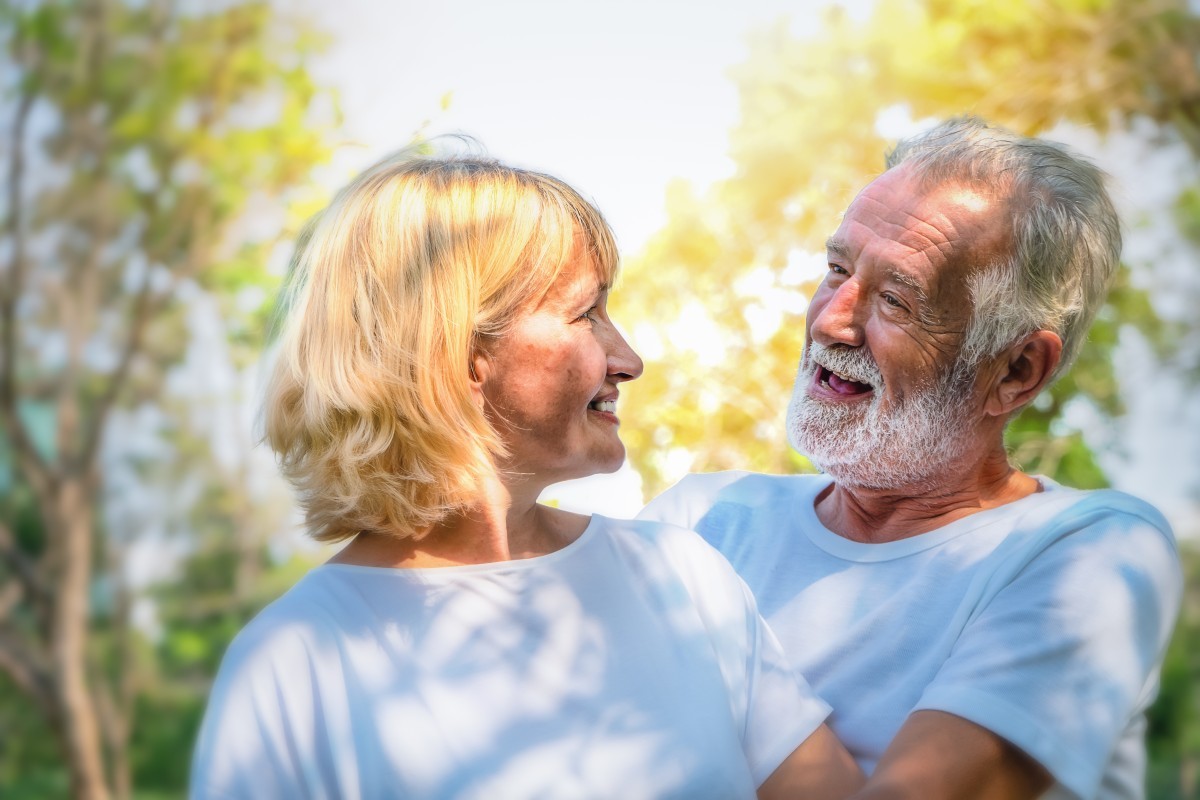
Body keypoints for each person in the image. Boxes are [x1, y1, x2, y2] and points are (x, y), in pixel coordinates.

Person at [189, 147, 863, 799]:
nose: (628, 359)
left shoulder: (682, 578)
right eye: (585, 314)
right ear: (457, 356)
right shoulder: (296, 663)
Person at [639, 117, 1182, 800]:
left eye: (896, 299)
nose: (832, 320)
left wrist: (711, 627)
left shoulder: (1092, 548)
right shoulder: (702, 516)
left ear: (1016, 369)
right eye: (836, 269)